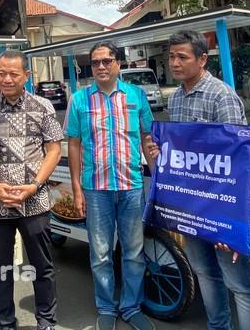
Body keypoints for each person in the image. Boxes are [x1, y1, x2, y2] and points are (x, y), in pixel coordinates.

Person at [147, 29, 250, 330]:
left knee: (241, 284)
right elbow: (183, 156)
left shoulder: (221, 96)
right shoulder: (176, 98)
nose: (174, 63)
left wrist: (229, 221)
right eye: (171, 57)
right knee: (205, 273)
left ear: (202, 59)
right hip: (191, 207)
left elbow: (236, 162)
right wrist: (160, 151)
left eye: (182, 57)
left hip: (222, 209)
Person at [0, 50, 62, 330]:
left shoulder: (42, 106)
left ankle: (46, 320)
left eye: (13, 74)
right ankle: (4, 323)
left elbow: (54, 149)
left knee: (42, 267)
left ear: (26, 76)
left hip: (34, 201)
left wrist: (34, 185)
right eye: (1, 74)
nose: (6, 79)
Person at [65, 41, 155, 330]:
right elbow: (74, 144)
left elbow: (148, 138)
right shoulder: (79, 100)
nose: (101, 66)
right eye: (95, 62)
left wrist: (158, 182)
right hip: (95, 189)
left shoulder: (136, 95)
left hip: (131, 187)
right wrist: (77, 189)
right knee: (101, 253)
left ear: (118, 63)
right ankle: (106, 307)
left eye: (107, 60)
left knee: (133, 252)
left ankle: (131, 306)